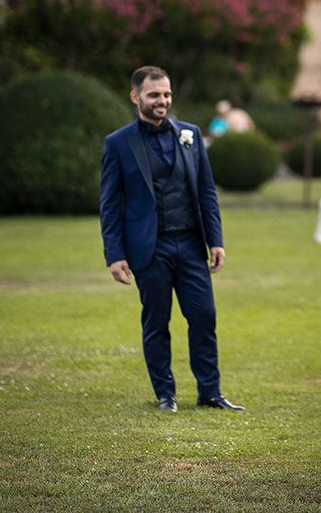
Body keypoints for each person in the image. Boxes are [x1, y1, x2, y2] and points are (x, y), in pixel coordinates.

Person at [99, 66, 243, 413]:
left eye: (166, 94)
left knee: (204, 316)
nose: (162, 100)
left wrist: (216, 240)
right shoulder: (118, 143)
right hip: (149, 249)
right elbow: (110, 204)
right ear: (136, 97)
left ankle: (210, 392)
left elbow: (206, 192)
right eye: (154, 95)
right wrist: (114, 254)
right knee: (156, 322)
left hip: (191, 244)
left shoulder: (190, 134)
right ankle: (166, 394)